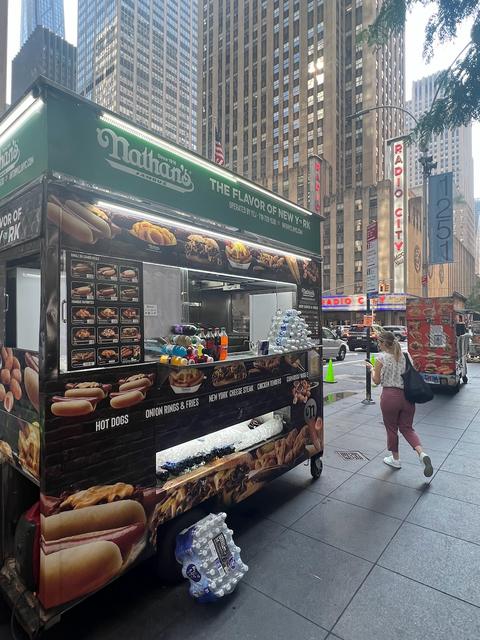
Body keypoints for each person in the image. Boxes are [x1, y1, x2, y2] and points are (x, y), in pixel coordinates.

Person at [365, 331, 433, 477]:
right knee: (407, 428)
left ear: (384, 343)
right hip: (408, 397)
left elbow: (376, 381)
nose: (378, 345)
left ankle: (396, 460)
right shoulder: (406, 355)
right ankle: (422, 454)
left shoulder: (381, 358)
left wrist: (371, 369)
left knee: (391, 428)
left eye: (379, 343)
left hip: (390, 396)